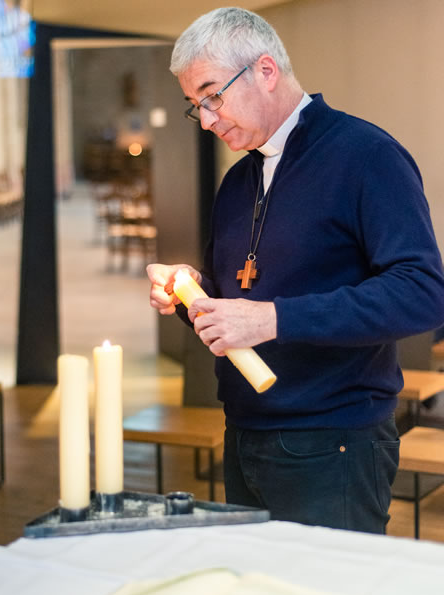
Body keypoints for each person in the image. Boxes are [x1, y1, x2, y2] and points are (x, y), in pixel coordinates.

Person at [146, 7, 444, 533]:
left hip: (334, 441)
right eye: (197, 106)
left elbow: (421, 292)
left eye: (213, 96)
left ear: (265, 71)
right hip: (242, 433)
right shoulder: (239, 180)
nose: (209, 119)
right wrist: (189, 292)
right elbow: (239, 302)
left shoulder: (366, 155)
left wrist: (272, 320)